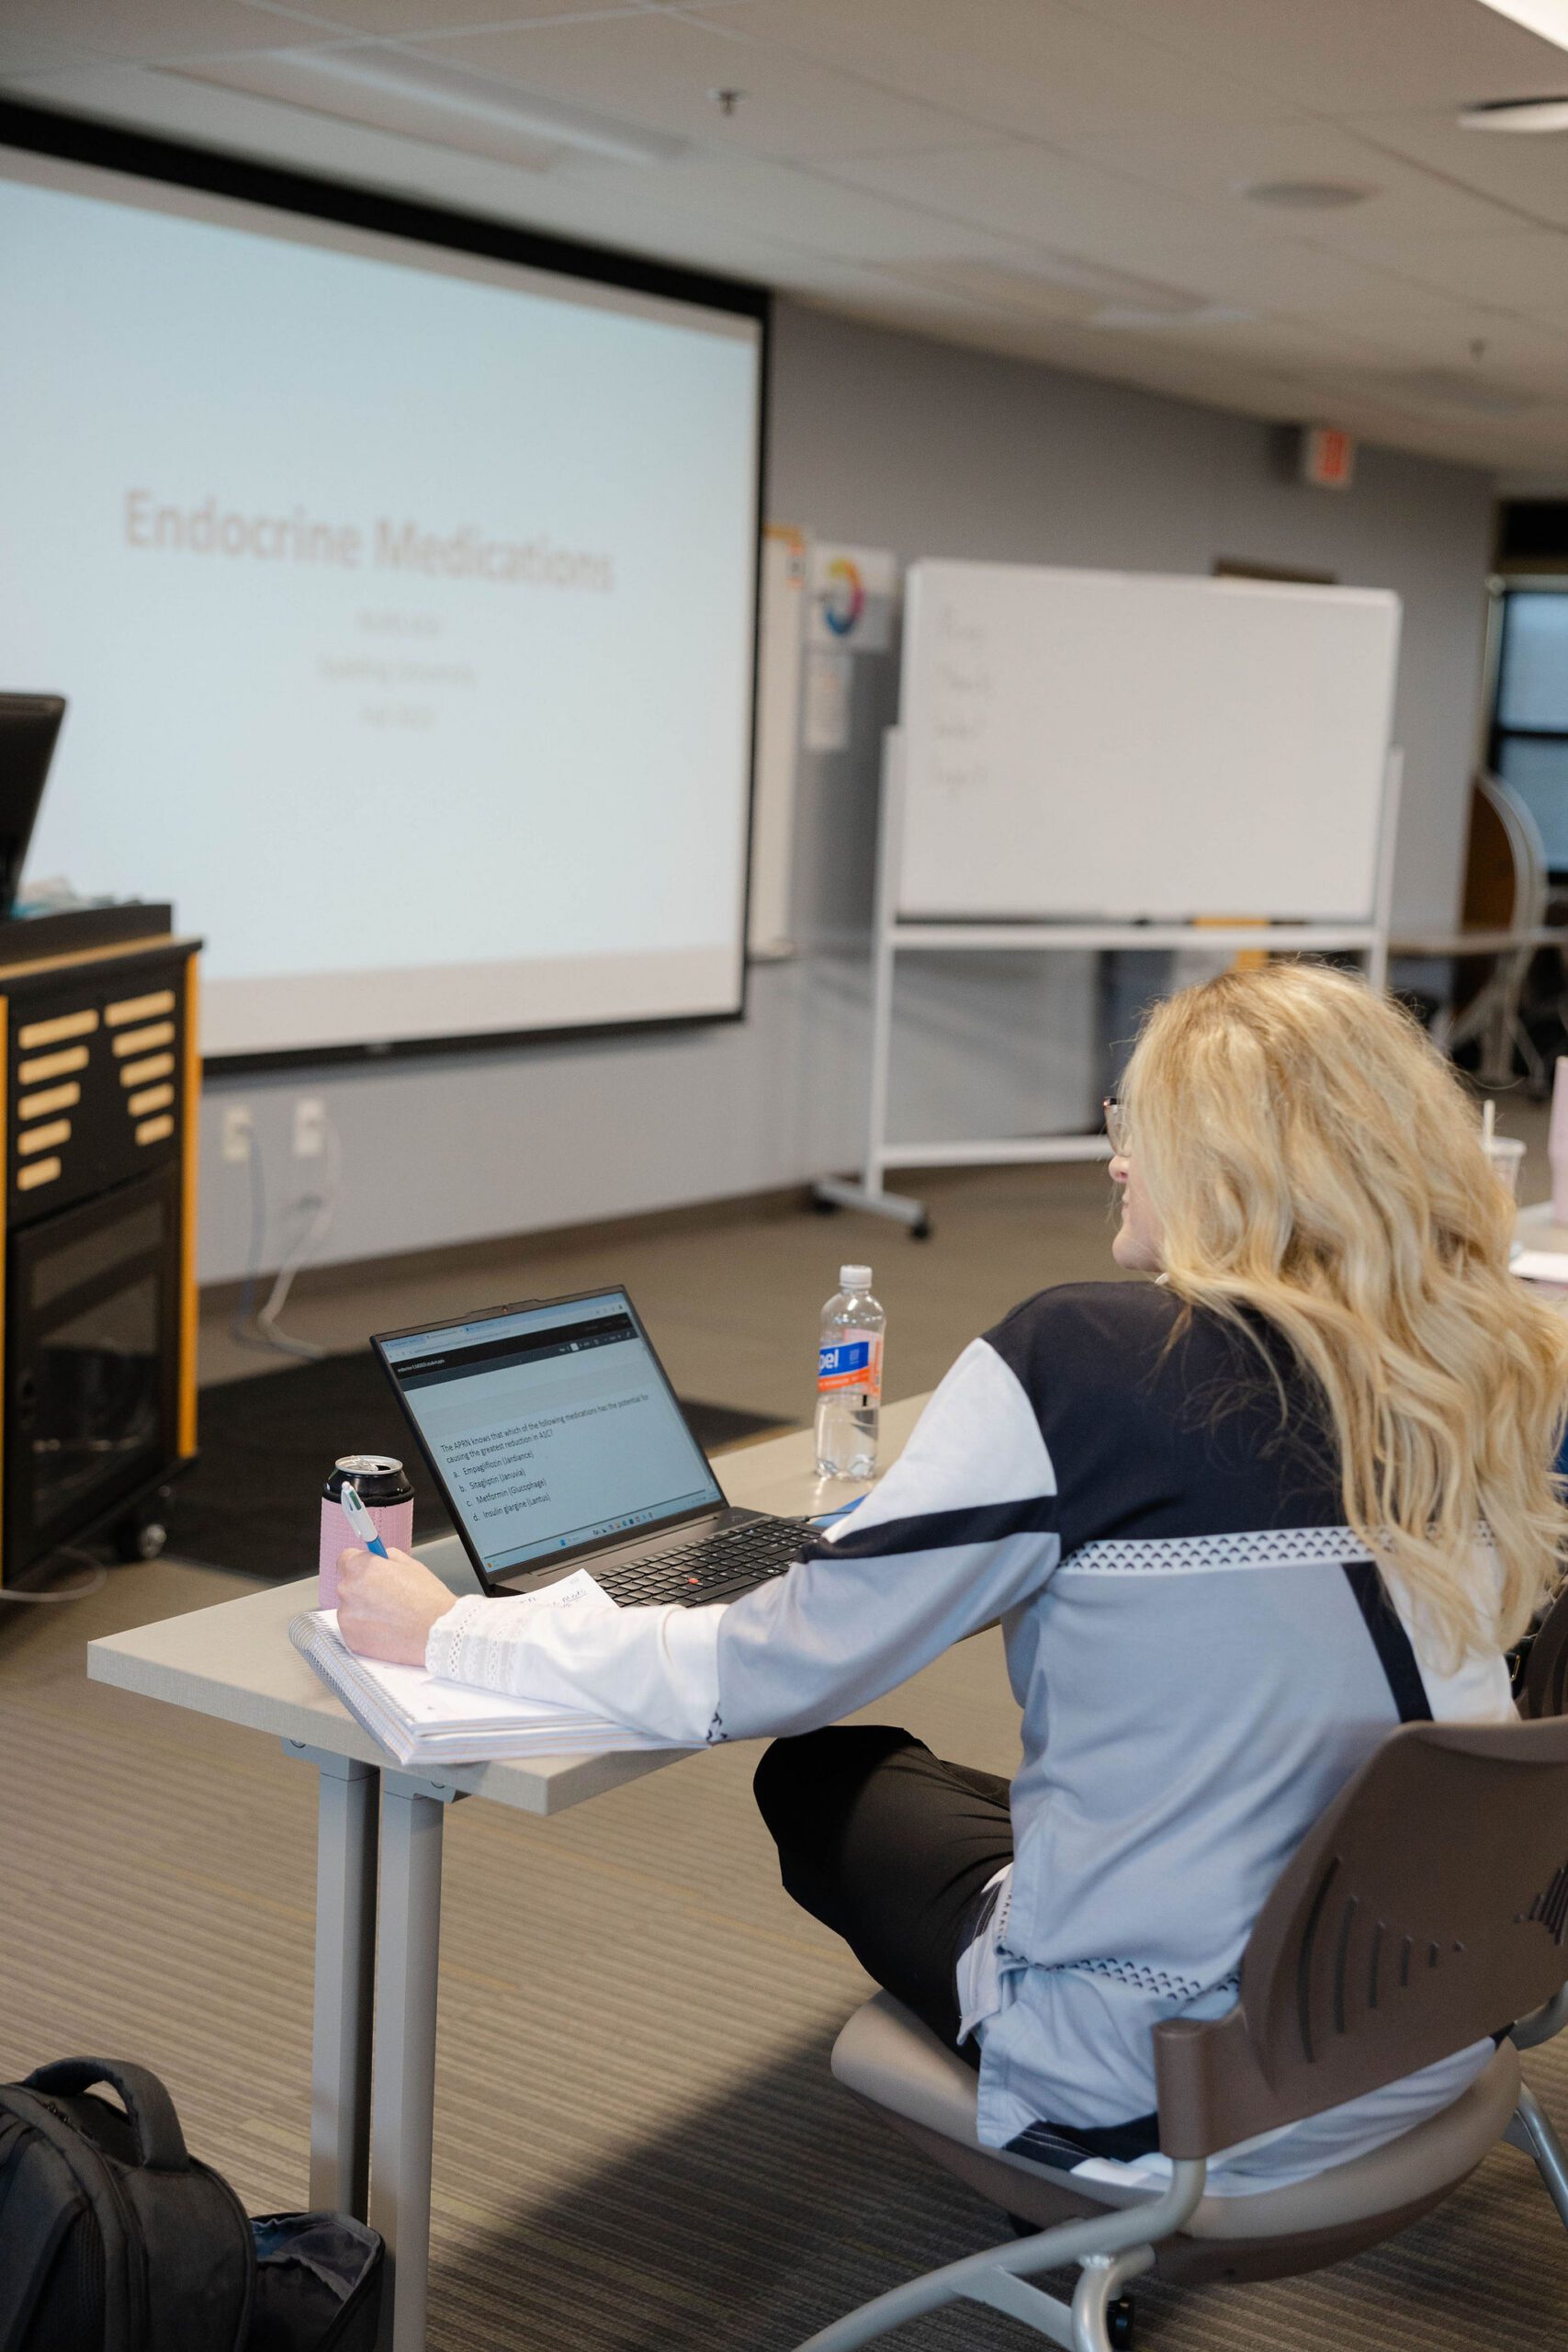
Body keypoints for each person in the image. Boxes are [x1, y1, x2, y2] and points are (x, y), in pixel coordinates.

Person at [336, 962, 1568, 2194]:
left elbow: (770, 1669)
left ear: (1238, 1164)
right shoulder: (1457, 1373)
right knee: (970, 1787)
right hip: (1415, 2027)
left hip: (1181, 2091)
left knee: (825, 1773)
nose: (1117, 1162)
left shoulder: (1089, 1362)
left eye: (1140, 1128)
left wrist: (456, 1635)